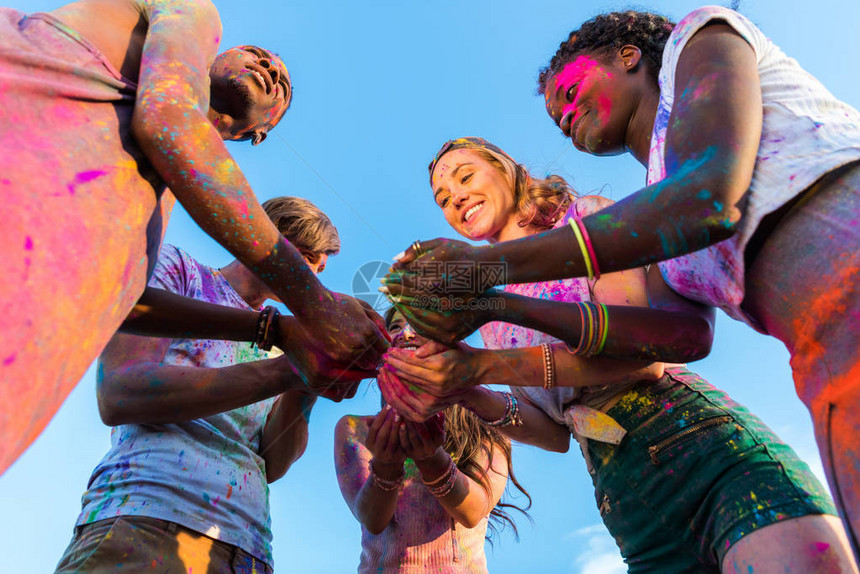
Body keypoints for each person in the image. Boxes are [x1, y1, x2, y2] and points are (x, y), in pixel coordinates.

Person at [383, 7, 860, 554]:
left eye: (465, 176)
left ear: (629, 56)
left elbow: (655, 346)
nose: (456, 197)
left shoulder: (606, 209)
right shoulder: (665, 211)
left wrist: (490, 296)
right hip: (620, 490)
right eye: (443, 199)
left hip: (685, 434)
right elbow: (557, 431)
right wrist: (465, 384)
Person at [0, 0, 387, 475]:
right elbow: (170, 123)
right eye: (259, 53)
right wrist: (316, 308)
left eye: (282, 84)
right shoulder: (187, 12)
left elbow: (115, 305)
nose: (269, 66)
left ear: (261, 132)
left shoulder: (151, 207)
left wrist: (299, 352)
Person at [54, 196, 358, 574]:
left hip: (247, 547)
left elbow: (273, 463)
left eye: (321, 267)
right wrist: (284, 369)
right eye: (309, 257)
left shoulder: (288, 339)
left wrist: (306, 379)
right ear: (269, 234)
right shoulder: (180, 271)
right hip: (145, 516)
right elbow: (119, 393)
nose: (314, 276)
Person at [334, 307, 530, 573]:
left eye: (423, 327)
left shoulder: (485, 423)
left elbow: (472, 511)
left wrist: (431, 459)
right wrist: (387, 466)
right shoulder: (357, 429)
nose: (406, 334)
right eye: (395, 327)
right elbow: (372, 519)